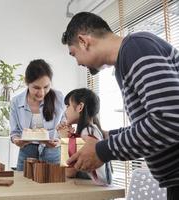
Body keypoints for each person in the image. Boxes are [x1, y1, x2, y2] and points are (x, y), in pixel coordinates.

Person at [62, 12, 179, 199]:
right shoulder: (125, 62)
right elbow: (151, 123)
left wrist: (102, 150)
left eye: (73, 54)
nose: (77, 62)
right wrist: (104, 136)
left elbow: (168, 121)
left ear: (83, 41)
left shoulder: (136, 47)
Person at [10, 59, 65, 171]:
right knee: (24, 186)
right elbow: (14, 133)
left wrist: (59, 141)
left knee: (53, 187)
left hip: (52, 152)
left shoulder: (59, 98)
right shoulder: (16, 102)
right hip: (27, 151)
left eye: (46, 87)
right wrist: (17, 140)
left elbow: (65, 128)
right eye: (36, 88)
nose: (42, 93)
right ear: (27, 83)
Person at [57, 88, 111, 185]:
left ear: (80, 107)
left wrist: (65, 139)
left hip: (96, 192)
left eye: (68, 106)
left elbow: (69, 172)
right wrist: (70, 139)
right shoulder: (92, 129)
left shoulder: (87, 133)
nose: (65, 111)